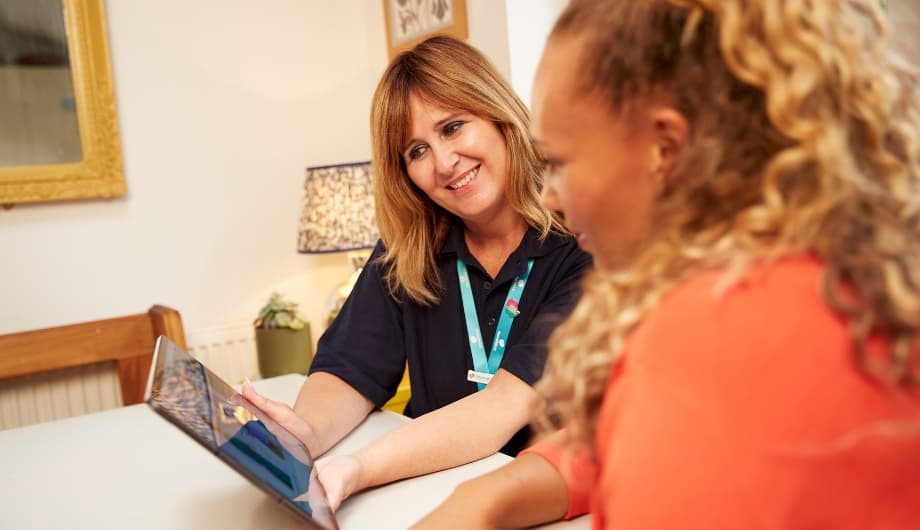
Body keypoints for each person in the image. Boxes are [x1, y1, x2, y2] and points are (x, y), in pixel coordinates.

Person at [413, 0, 920, 528]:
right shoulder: (834, 273)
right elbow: (628, 444)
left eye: (558, 162)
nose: (551, 197)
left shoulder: (699, 338)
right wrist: (490, 496)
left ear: (664, 148)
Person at [242, 35, 592, 511]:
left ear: (497, 114)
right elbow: (348, 369)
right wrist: (306, 433)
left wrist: (360, 467)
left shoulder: (584, 244)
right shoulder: (410, 249)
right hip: (424, 493)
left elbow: (505, 406)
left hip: (540, 506)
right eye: (417, 151)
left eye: (452, 128)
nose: (444, 164)